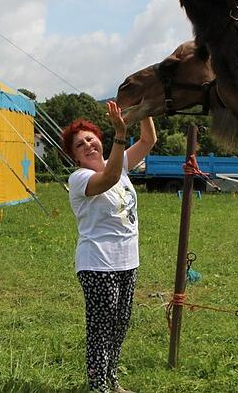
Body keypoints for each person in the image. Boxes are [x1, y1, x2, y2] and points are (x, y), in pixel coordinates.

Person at [61, 101, 156, 393]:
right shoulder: (79, 178)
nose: (88, 145)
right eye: (80, 145)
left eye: (90, 139)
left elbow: (148, 140)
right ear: (74, 156)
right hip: (98, 264)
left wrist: (144, 108)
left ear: (99, 140)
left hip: (128, 261)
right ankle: (98, 386)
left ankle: (112, 380)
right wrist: (120, 133)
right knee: (101, 328)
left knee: (120, 325)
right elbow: (110, 177)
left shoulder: (120, 163)